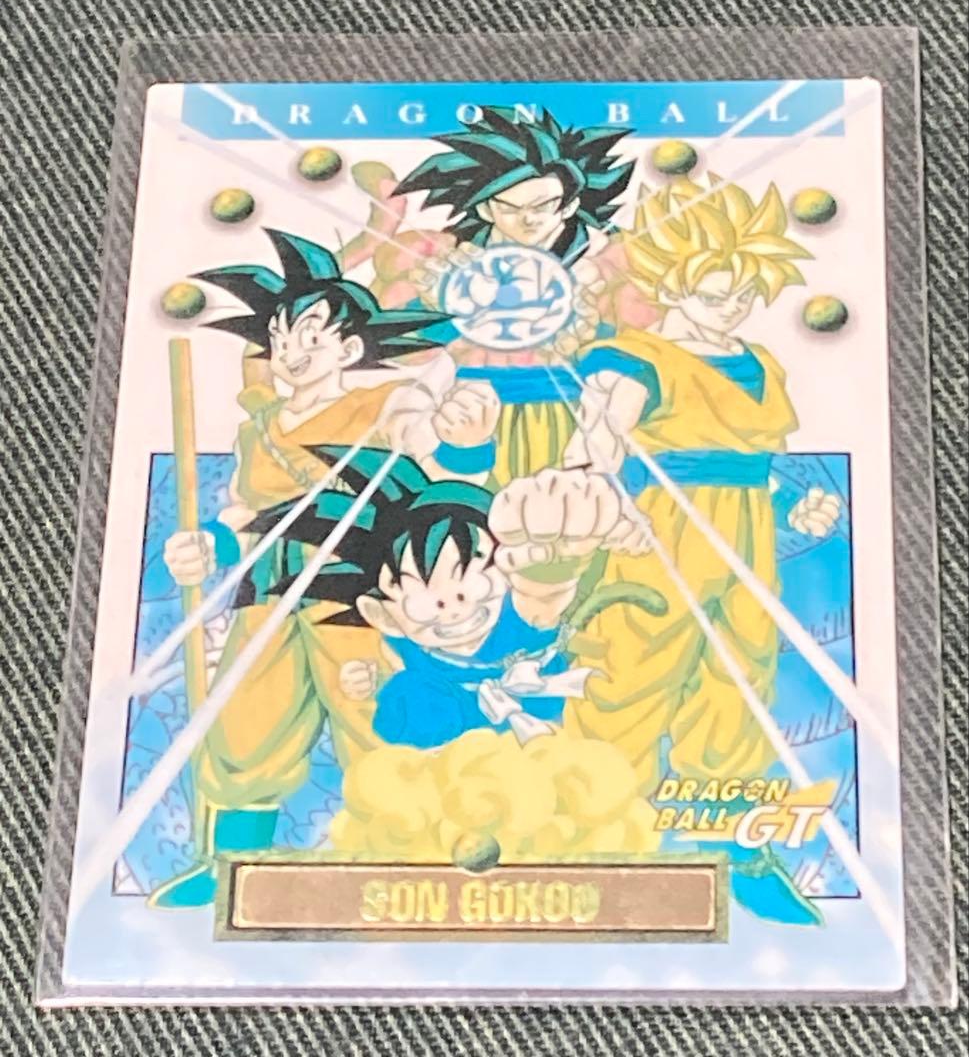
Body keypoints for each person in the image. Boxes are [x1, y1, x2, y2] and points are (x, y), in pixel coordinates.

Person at [152, 229, 498, 908]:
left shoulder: (382, 404)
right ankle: (234, 867)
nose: (294, 350)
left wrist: (469, 446)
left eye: (313, 336)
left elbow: (439, 471)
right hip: (271, 590)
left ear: (349, 349)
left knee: (377, 721)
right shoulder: (258, 430)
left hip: (358, 591)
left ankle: (414, 858)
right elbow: (246, 513)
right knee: (247, 723)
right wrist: (208, 549)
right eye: (283, 336)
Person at [561, 174, 841, 925]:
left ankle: (731, 848)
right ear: (671, 283)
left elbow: (752, 462)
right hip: (656, 534)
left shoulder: (759, 362)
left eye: (746, 289)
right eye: (716, 290)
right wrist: (593, 473)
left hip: (743, 537)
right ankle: (594, 842)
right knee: (630, 677)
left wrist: (793, 505)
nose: (734, 303)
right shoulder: (634, 359)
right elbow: (596, 445)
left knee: (737, 680)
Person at [246, 449, 654, 750]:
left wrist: (568, 539)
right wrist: (368, 682)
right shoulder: (409, 667)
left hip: (543, 740)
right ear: (382, 614)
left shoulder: (520, 611)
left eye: (469, 573)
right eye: (422, 591)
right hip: (446, 758)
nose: (454, 603)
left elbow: (545, 590)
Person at [370, 107, 657, 483]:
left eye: (543, 205)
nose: (529, 219)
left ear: (569, 205)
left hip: (568, 420)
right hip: (465, 414)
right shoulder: (449, 269)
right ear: (486, 208)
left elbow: (634, 350)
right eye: (510, 207)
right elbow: (407, 348)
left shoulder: (599, 270)